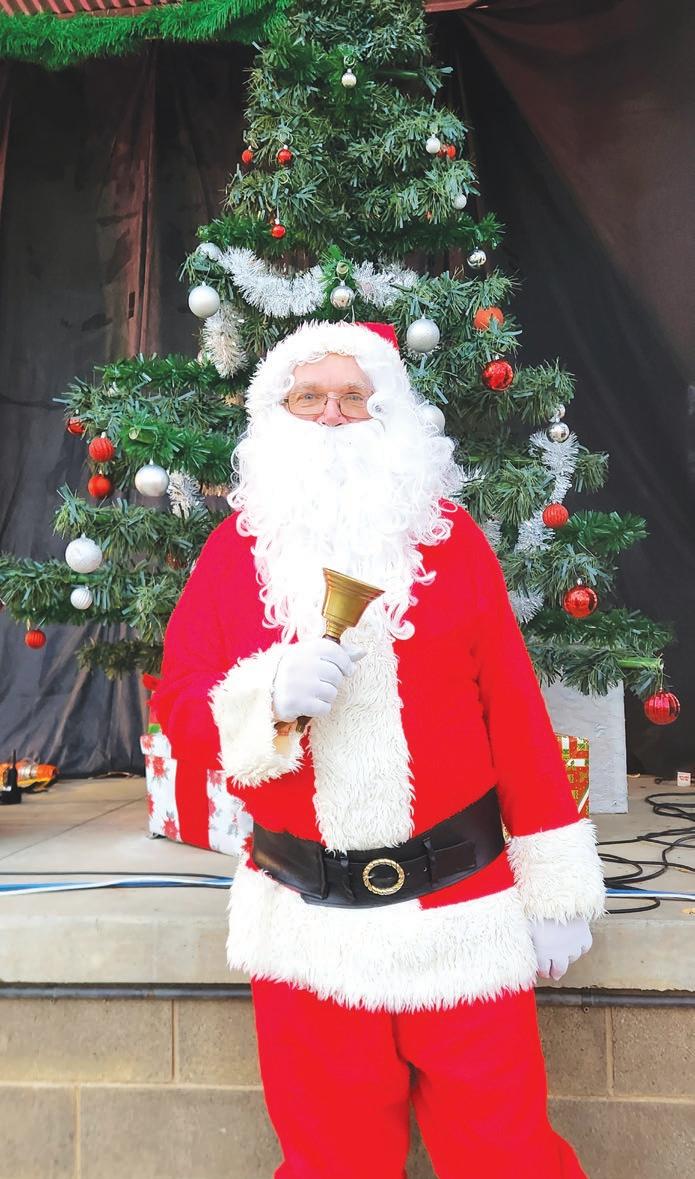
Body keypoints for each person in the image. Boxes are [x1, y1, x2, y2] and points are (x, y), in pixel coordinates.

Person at [153, 319, 606, 1178]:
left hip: (459, 912)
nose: (331, 415)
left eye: (353, 398)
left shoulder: (450, 541)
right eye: (309, 397)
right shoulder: (233, 553)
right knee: (331, 1161)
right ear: (276, 413)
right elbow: (178, 699)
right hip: (306, 926)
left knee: (507, 1155)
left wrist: (555, 886)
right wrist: (264, 698)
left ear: (389, 413)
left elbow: (514, 713)